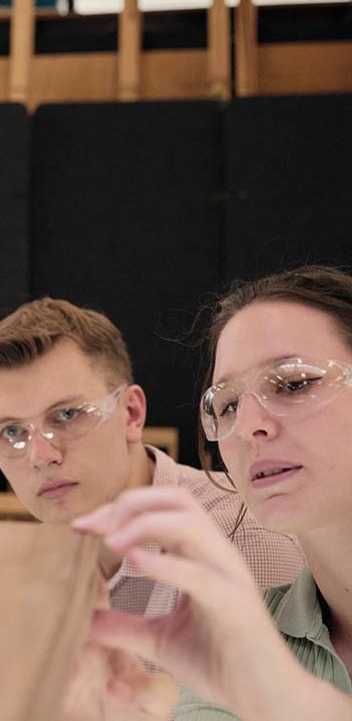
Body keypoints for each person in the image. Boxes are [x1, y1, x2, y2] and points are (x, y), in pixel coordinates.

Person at [74, 265, 352, 719]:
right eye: (226, 405)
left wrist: (284, 696)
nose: (246, 426)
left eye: (294, 383)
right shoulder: (245, 635)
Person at [0, 298, 303, 619]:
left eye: (67, 415)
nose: (41, 456)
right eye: (11, 432)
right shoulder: (24, 569)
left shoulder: (242, 545)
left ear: (131, 413)